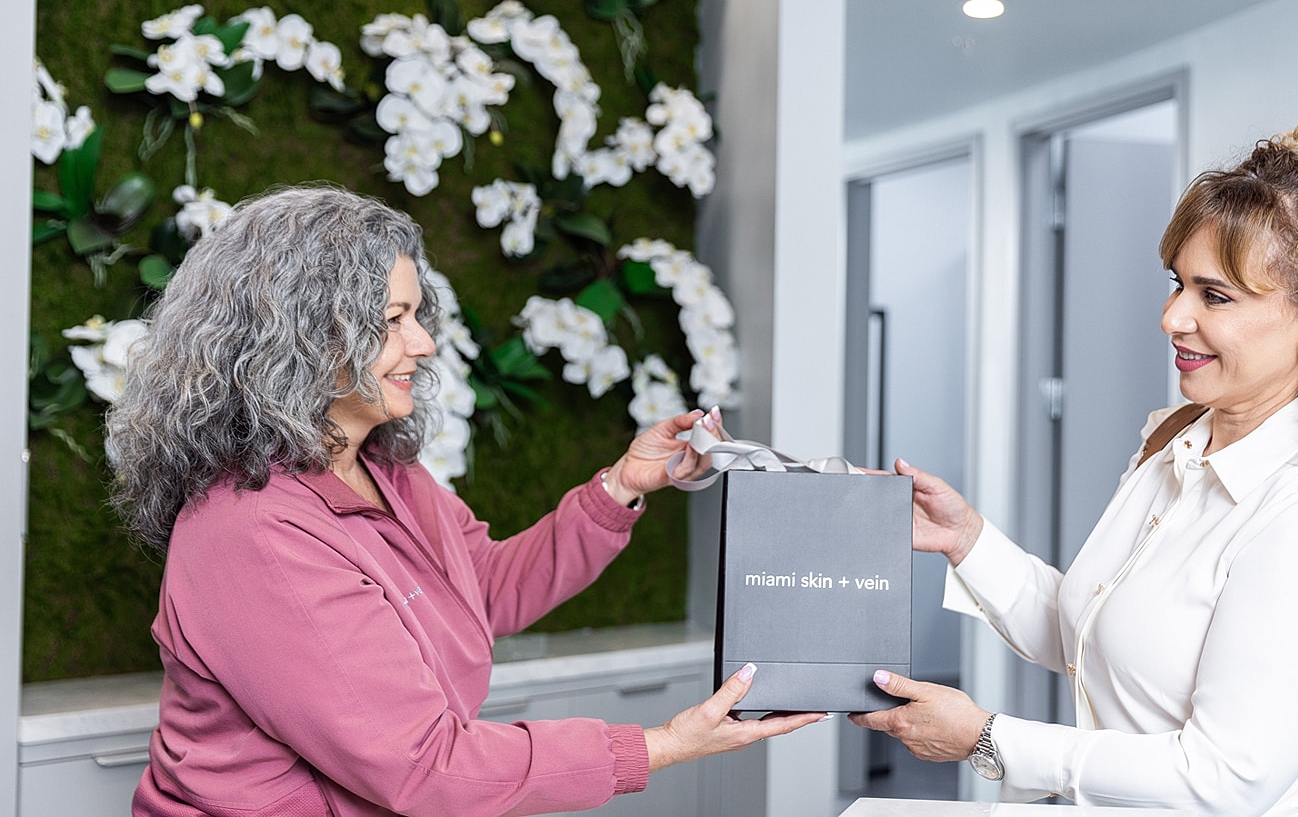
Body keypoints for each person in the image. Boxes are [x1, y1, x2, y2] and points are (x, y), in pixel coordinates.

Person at [107, 184, 824, 817]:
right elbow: (424, 766)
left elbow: (483, 590)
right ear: (297, 339)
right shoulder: (253, 532)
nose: (421, 342)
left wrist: (621, 488)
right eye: (391, 319)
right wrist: (662, 745)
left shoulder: (387, 473)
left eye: (417, 315)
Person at [850, 115, 1298, 814]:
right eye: (1177, 284)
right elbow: (1095, 635)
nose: (1173, 316)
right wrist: (967, 539)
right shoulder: (1175, 440)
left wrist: (987, 740)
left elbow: (1222, 779)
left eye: (1215, 296)